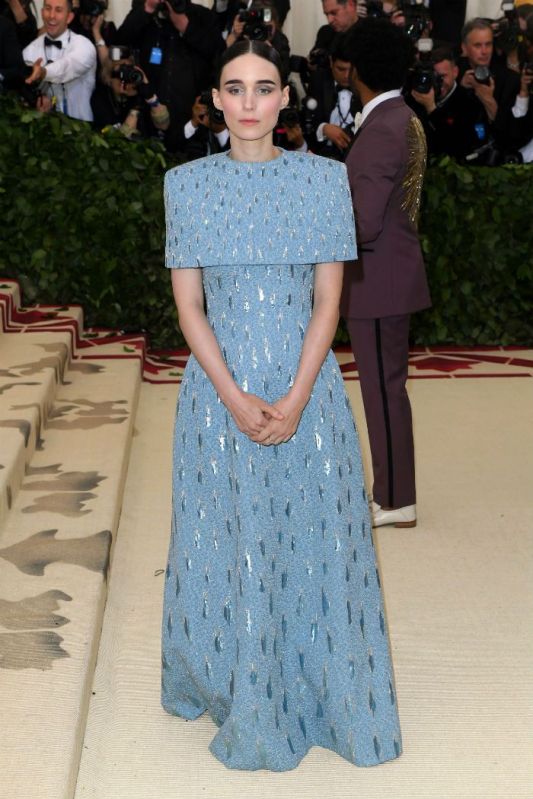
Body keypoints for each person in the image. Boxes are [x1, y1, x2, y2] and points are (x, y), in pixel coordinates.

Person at [161, 38, 402, 771]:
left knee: (315, 538)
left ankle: (321, 685)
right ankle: (230, 677)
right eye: (234, 88)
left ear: (284, 98)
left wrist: (296, 395)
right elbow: (190, 307)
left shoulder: (322, 181)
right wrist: (234, 395)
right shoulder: (185, 185)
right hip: (218, 392)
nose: (249, 103)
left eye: (263, 88)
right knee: (226, 537)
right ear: (215, 100)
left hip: (307, 387)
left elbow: (329, 301)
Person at [339, 18, 431, 528]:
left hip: (377, 281)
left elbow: (364, 222)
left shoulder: (382, 126)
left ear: (357, 69)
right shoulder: (403, 117)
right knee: (387, 387)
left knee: (381, 390)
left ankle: (395, 499)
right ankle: (396, 494)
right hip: (391, 275)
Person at [408, 46, 489, 160]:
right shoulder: (416, 98)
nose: (437, 82)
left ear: (455, 72)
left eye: (442, 76)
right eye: (432, 77)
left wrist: (431, 109)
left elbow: (458, 146)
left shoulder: (470, 102)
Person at [23, 0, 96, 121]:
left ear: (69, 17)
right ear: (42, 12)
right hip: (43, 127)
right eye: (48, 8)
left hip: (81, 127)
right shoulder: (30, 50)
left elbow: (68, 66)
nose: (51, 15)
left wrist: (43, 72)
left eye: (58, 10)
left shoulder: (84, 45)